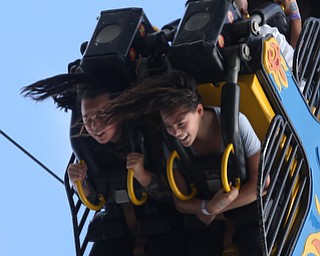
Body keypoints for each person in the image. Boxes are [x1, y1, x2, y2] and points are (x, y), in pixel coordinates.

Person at [102, 70, 270, 255]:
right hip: (207, 219)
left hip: (251, 210)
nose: (176, 132)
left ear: (198, 110)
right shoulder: (171, 141)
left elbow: (260, 184)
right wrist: (208, 208)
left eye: (181, 124)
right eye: (169, 126)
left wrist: (216, 207)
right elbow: (181, 201)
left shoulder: (237, 123)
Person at [21, 72, 187, 256]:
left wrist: (144, 176)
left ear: (119, 110)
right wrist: (81, 184)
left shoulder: (148, 136)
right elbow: (96, 199)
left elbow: (175, 193)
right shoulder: (89, 149)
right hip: (118, 227)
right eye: (87, 119)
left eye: (101, 115)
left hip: (166, 219)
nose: (94, 126)